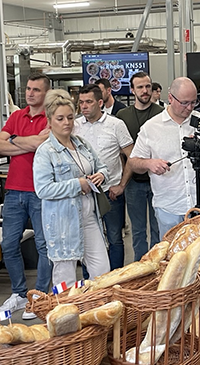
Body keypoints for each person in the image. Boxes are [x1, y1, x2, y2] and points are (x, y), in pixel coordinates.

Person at [130, 77, 200, 237]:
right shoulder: (151, 127)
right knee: (171, 257)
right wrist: (149, 164)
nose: (189, 108)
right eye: (184, 103)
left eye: (193, 102)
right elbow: (133, 162)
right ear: (170, 98)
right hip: (169, 208)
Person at [34, 90, 111, 285]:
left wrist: (101, 174)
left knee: (102, 272)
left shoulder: (82, 144)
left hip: (90, 218)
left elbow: (101, 166)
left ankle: (96, 313)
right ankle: (64, 314)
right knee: (65, 280)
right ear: (50, 120)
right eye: (60, 118)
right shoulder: (45, 152)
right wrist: (78, 184)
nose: (67, 122)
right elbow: (43, 189)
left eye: (70, 117)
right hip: (63, 223)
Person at [0, 73, 53, 318]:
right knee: (8, 244)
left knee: (42, 245)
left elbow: (42, 144)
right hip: (14, 189)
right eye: (28, 88)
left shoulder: (51, 118)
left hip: (40, 191)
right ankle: (19, 293)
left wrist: (15, 141)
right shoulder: (17, 116)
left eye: (36, 90)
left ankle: (38, 295)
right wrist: (27, 142)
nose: (30, 93)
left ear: (46, 93)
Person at [74, 84, 133, 270]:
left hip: (110, 192)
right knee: (87, 238)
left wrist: (122, 185)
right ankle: (90, 281)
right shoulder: (74, 126)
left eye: (89, 102)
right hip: (84, 192)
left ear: (100, 102)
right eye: (81, 102)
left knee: (114, 238)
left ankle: (115, 280)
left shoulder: (116, 125)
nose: (84, 106)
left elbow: (131, 157)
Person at [117, 72, 164, 261]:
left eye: (148, 86)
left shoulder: (161, 114)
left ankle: (156, 266)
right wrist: (123, 179)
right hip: (133, 182)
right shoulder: (122, 116)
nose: (145, 91)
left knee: (157, 227)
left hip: (159, 180)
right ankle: (140, 266)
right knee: (137, 231)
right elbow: (120, 152)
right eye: (140, 87)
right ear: (132, 90)